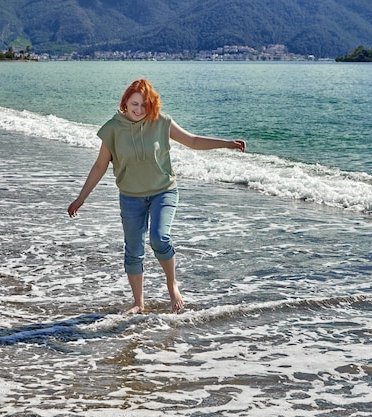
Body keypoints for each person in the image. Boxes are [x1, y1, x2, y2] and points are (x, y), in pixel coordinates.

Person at [67, 79, 245, 314]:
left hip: (163, 191)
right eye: (134, 104)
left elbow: (192, 141)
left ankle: (172, 285)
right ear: (125, 103)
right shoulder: (112, 128)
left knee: (159, 238)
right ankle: (138, 303)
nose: (139, 110)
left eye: (144, 105)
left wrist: (227, 144)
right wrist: (82, 198)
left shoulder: (161, 122)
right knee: (133, 250)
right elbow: (100, 166)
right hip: (131, 196)